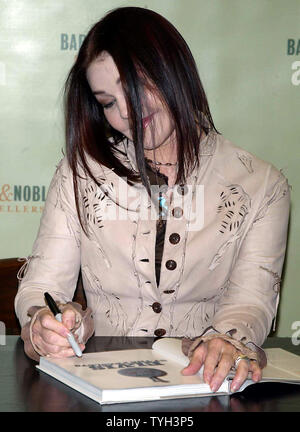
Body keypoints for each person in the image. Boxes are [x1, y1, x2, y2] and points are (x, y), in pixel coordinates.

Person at [15, 6, 290, 394]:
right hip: (99, 393)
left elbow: (251, 302)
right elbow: (41, 287)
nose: (126, 112)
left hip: (207, 390)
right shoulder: (80, 175)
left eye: (136, 85)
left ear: (172, 70)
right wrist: (46, 323)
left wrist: (228, 339)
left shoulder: (262, 185)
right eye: (108, 102)